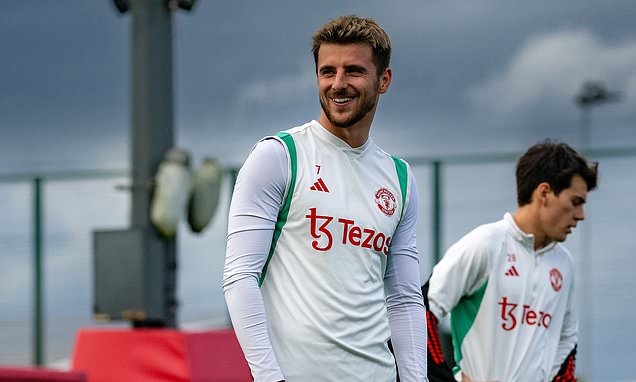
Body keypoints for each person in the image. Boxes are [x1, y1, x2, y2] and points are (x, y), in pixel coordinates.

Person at [223, 15, 427, 382]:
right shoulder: (279, 156)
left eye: (353, 71)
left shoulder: (400, 178)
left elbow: (405, 298)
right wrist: (270, 378)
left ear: (384, 80)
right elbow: (239, 278)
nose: (338, 84)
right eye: (327, 71)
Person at [424, 140, 598, 382]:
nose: (581, 215)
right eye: (575, 202)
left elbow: (567, 345)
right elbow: (420, 310)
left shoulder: (564, 264)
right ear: (545, 193)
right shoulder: (485, 244)